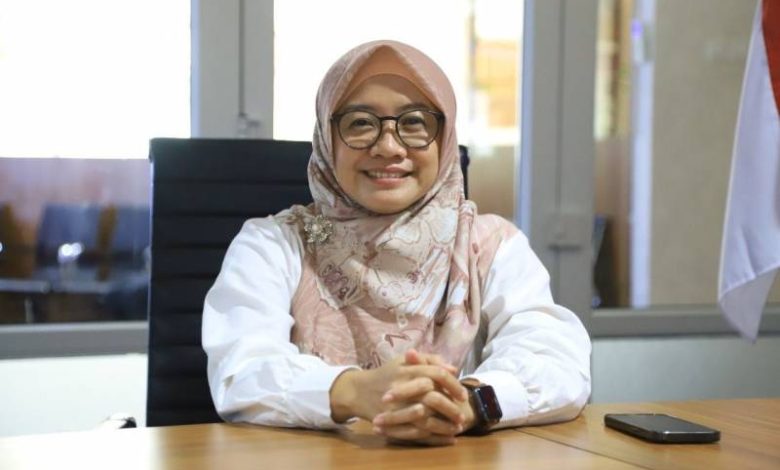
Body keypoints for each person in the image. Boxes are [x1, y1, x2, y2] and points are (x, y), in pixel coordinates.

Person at [202, 39, 591, 446]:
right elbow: (240, 372)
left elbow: (558, 363)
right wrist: (356, 392)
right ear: (327, 139)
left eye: (414, 122)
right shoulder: (278, 243)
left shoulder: (487, 245)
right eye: (360, 123)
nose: (388, 147)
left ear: (444, 138)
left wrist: (466, 403)